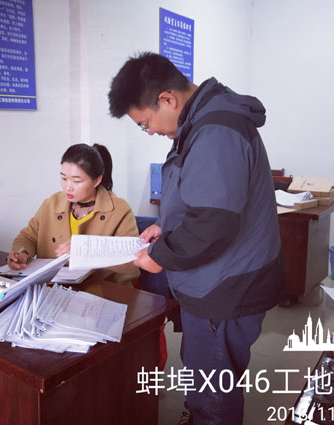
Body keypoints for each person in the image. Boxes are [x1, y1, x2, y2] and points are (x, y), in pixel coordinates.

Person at [108, 52, 285, 424]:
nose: (149, 132)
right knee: (208, 377)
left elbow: (212, 223)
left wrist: (160, 254)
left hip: (226, 286)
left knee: (213, 390)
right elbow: (205, 200)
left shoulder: (215, 130)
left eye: (145, 123)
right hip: (219, 279)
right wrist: (167, 228)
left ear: (167, 99)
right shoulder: (200, 122)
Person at [8, 143, 140, 286]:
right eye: (64, 178)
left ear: (97, 180)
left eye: (77, 181)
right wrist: (22, 253)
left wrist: (87, 251)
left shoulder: (119, 210)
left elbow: (132, 262)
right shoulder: (51, 203)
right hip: (50, 288)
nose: (68, 187)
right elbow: (28, 237)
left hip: (100, 291)